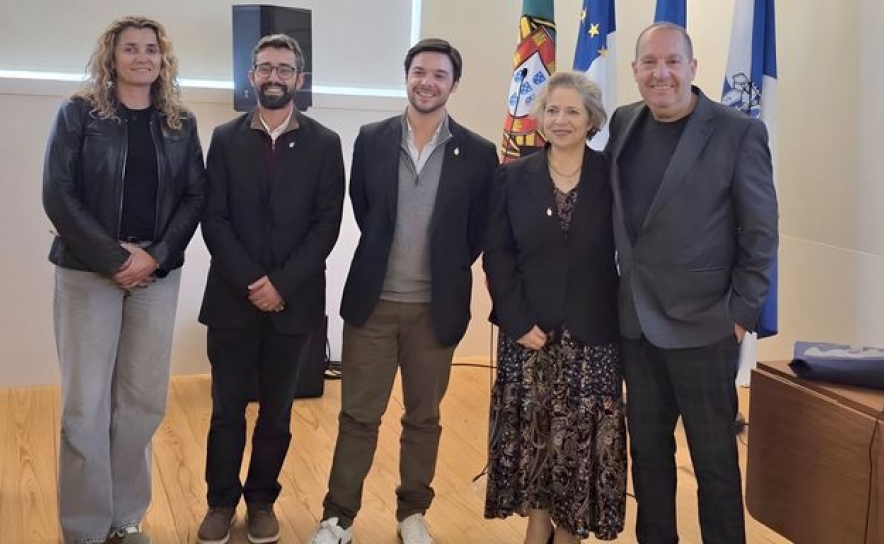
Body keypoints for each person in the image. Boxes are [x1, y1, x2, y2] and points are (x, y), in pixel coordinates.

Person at [310, 38, 498, 544]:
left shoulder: (478, 153)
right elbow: (365, 208)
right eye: (419, 72)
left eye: (439, 75)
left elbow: (477, 229)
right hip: (372, 303)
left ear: (454, 85)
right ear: (406, 76)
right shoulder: (372, 139)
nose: (427, 82)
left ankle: (412, 513)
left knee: (424, 418)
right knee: (358, 415)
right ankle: (338, 516)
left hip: (435, 310)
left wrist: (446, 267)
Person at [606, 23, 778, 544]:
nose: (661, 73)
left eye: (672, 62)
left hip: (706, 329)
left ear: (692, 67)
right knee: (649, 459)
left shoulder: (737, 132)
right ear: (635, 69)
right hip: (637, 327)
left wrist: (739, 315)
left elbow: (760, 232)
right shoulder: (623, 121)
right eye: (650, 62)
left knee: (715, 464)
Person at [42, 16, 206, 544]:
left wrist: (154, 257)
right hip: (88, 272)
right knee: (85, 406)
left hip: (155, 277)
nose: (142, 57)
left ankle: (126, 518)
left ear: (163, 58)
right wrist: (115, 258)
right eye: (130, 48)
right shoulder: (79, 114)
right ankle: (85, 529)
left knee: (141, 402)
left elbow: (195, 197)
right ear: (111, 57)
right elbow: (58, 193)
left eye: (151, 49)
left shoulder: (180, 122)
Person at [196, 34, 345, 544]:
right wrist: (252, 282)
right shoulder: (225, 138)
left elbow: (326, 225)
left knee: (278, 412)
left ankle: (261, 501)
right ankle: (220, 503)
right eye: (265, 68)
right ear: (251, 76)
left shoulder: (325, 143)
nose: (274, 76)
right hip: (231, 299)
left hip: (293, 301)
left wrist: (280, 284)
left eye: (284, 69)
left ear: (299, 79)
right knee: (226, 409)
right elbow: (213, 218)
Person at [483, 71, 627, 544]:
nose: (560, 120)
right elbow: (498, 253)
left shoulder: (614, 175)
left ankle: (570, 530)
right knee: (535, 433)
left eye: (572, 111)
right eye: (551, 110)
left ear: (591, 120)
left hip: (593, 333)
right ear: (539, 117)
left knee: (581, 438)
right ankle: (538, 524)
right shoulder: (512, 176)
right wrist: (516, 319)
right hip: (529, 332)